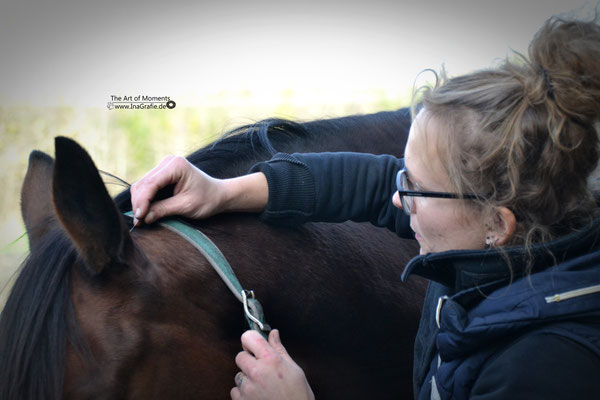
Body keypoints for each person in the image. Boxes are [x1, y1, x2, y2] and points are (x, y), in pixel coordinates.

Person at [130, 15, 600, 400]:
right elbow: (372, 182)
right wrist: (222, 191)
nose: (396, 198)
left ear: (498, 222)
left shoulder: (541, 369)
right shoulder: (489, 236)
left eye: (414, 186)